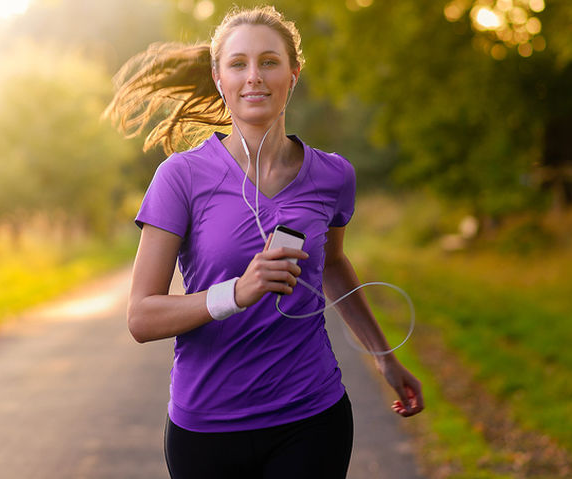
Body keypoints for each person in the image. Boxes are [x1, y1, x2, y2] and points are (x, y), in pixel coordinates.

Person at [104, 5, 424, 478]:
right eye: (239, 64)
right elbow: (141, 316)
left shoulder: (333, 175)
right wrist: (236, 293)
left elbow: (332, 265)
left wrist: (385, 359)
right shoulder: (181, 177)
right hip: (208, 428)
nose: (254, 76)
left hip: (311, 417)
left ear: (293, 74)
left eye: (269, 61)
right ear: (219, 78)